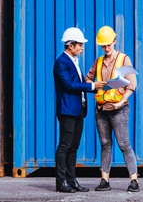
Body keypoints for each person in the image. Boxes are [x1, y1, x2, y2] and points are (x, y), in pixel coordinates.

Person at [86, 25, 140, 192]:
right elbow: (88, 80)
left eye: (108, 45)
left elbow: (132, 84)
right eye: (103, 46)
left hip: (119, 109)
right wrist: (95, 85)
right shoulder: (99, 61)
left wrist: (120, 101)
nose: (106, 48)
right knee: (105, 144)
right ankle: (104, 180)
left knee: (124, 144)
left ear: (115, 41)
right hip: (101, 110)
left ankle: (134, 180)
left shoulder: (124, 59)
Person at [54, 27, 106, 193]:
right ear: (71, 46)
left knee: (74, 147)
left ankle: (72, 180)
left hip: (78, 110)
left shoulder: (74, 61)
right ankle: (61, 182)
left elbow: (79, 83)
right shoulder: (61, 62)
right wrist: (92, 86)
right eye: (80, 44)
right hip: (67, 111)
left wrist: (99, 87)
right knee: (65, 146)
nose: (83, 47)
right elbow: (70, 85)